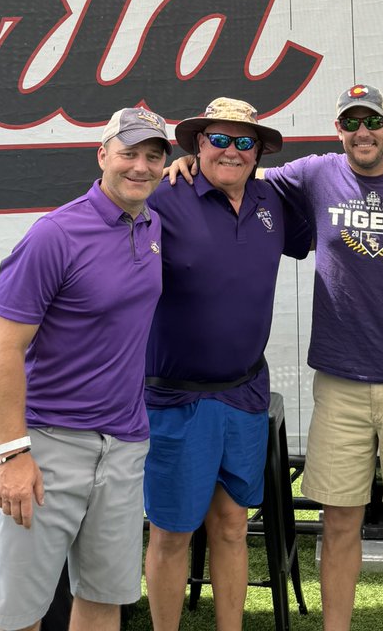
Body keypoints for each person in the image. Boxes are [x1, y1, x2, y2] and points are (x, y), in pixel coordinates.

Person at [168, 83, 383, 629]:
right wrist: (191, 159)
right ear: (339, 131)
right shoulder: (314, 174)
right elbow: (235, 170)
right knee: (339, 523)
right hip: (340, 381)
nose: (362, 133)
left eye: (372, 122)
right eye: (351, 123)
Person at [0, 107, 172, 631]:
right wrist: (14, 453)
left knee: (103, 599)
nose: (140, 166)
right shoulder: (54, 235)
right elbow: (2, 350)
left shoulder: (153, 222)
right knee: (18, 614)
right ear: (102, 155)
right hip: (49, 445)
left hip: (126, 446)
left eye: (153, 157)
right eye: (128, 153)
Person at [143, 97, 311, 631]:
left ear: (259, 153)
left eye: (245, 142)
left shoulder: (272, 200)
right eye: (219, 139)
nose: (231, 151)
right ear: (197, 145)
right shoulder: (162, 195)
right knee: (171, 533)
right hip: (175, 396)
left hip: (243, 391)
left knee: (234, 526)